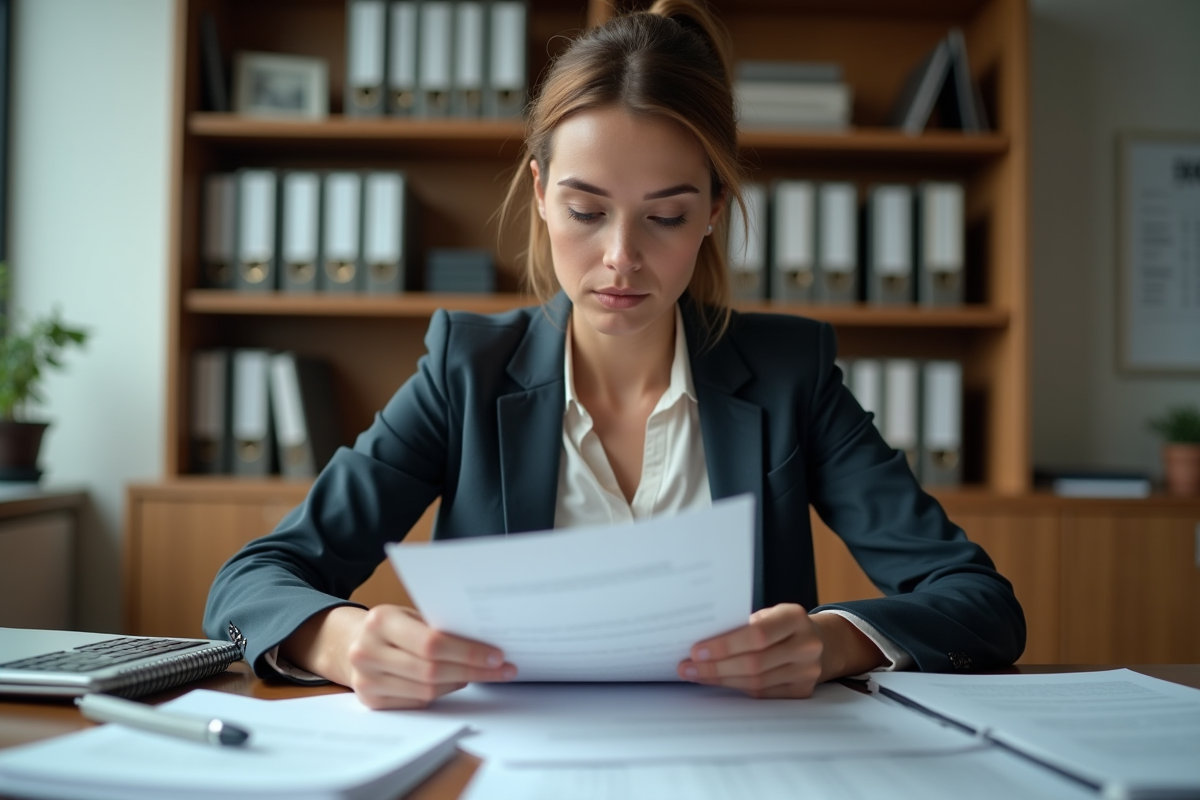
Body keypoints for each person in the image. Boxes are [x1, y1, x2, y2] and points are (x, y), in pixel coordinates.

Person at [204, 0, 1024, 710]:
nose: (621, 258)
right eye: (586, 210)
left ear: (712, 211)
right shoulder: (466, 370)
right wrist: (340, 641)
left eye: (665, 216)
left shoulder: (790, 373)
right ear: (539, 193)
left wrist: (833, 642)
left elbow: (980, 604)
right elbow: (246, 587)